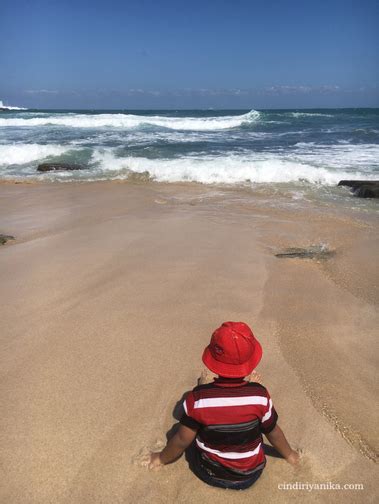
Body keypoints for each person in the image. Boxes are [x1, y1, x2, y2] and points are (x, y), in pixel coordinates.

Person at [144, 321, 300, 489]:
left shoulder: (198, 399)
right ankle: (245, 386)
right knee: (254, 419)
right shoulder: (260, 396)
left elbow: (182, 440)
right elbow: (273, 432)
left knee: (189, 424)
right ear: (250, 361)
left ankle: (208, 388)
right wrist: (290, 455)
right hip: (251, 474)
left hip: (209, 472)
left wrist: (160, 458)